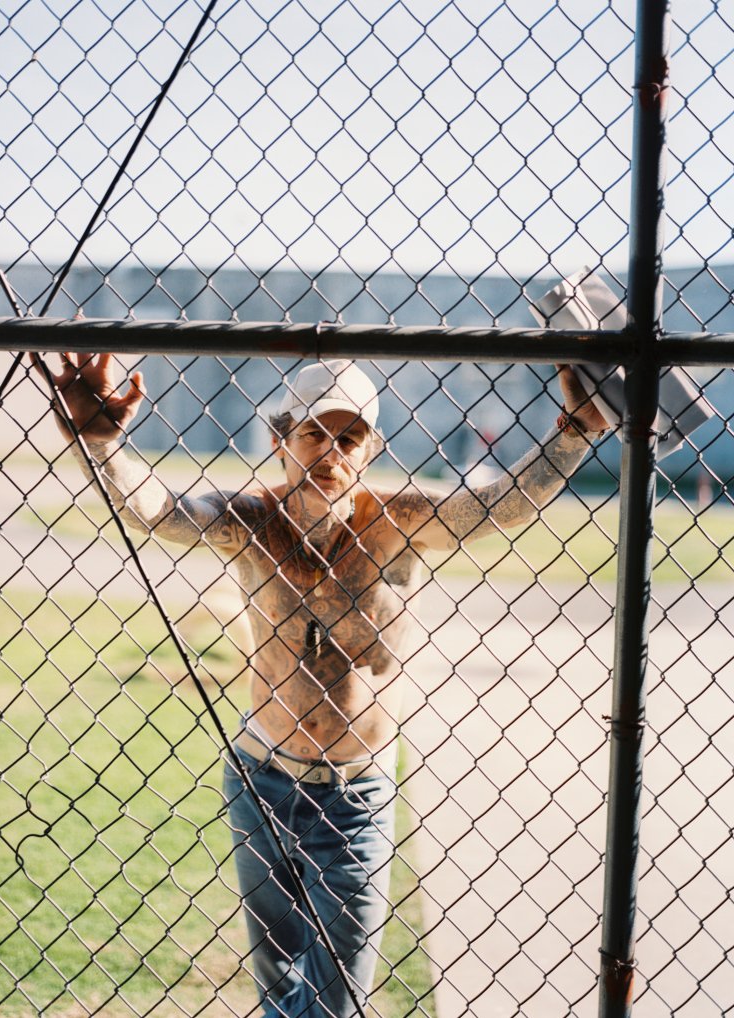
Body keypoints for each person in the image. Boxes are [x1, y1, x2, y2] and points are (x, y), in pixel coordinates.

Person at [35, 353, 607, 1017]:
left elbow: (497, 508)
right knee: (278, 985)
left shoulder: (397, 522)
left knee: (337, 1000)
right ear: (280, 439)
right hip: (262, 780)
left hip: (354, 793)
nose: (330, 453)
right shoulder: (253, 520)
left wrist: (576, 431)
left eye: (350, 437)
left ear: (370, 450)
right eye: (313, 433)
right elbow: (160, 512)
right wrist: (100, 443)